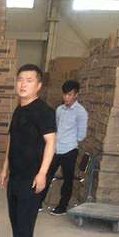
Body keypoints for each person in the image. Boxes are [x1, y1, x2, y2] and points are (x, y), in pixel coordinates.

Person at [0, 65, 56, 237]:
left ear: (38, 86)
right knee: (15, 218)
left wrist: (43, 173)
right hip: (16, 175)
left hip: (32, 177)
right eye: (20, 79)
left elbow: (51, 142)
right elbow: (12, 140)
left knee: (25, 222)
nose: (23, 84)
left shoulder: (44, 112)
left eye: (29, 80)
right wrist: (5, 168)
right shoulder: (19, 109)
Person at [39, 80, 88, 215]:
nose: (66, 97)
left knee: (67, 180)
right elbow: (55, 128)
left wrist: (69, 141)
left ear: (76, 95)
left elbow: (81, 135)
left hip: (70, 150)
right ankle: (38, 202)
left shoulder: (81, 112)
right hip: (56, 149)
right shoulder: (59, 110)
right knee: (47, 175)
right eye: (65, 94)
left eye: (70, 94)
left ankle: (62, 206)